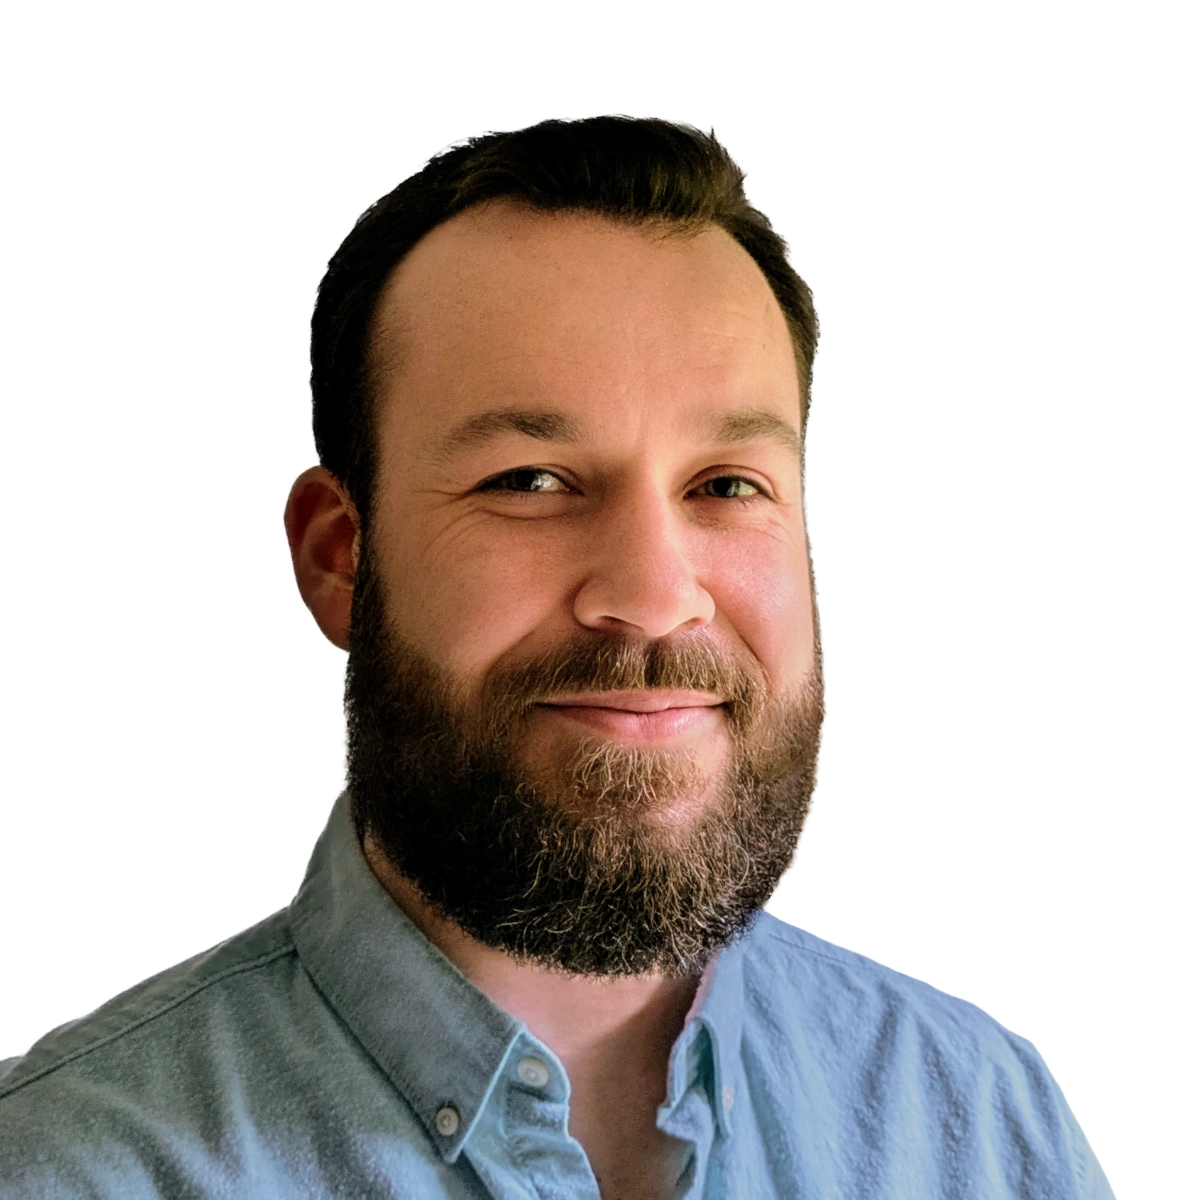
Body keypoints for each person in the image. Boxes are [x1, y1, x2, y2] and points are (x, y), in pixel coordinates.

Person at [0, 117, 1113, 1199]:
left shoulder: (986, 1130)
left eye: (728, 484)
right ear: (339, 558)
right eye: (528, 482)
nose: (653, 597)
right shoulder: (60, 1168)